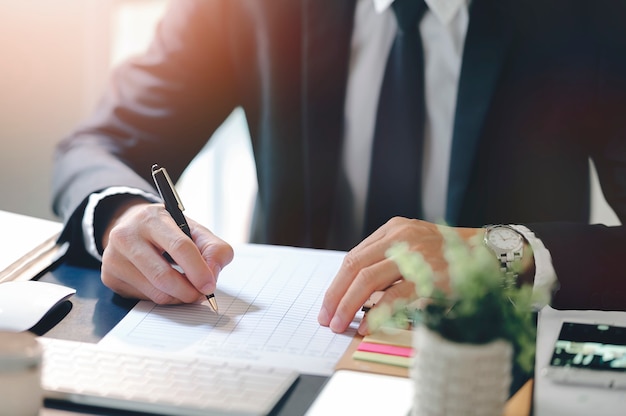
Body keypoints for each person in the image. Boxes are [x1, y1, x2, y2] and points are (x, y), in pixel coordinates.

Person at [52, 0, 626, 336]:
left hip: (496, 356)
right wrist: (121, 216)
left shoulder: (591, 17)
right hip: (282, 344)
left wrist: (495, 253)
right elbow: (101, 143)